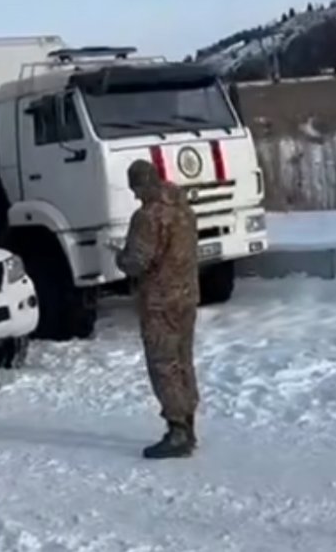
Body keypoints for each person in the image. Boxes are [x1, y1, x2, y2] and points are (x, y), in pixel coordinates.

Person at [114, 159, 201, 459]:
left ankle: (177, 431)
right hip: (187, 297)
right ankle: (189, 423)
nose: (136, 196)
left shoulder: (147, 216)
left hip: (160, 301)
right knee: (183, 360)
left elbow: (137, 261)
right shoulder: (184, 209)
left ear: (141, 184)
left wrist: (119, 257)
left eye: (135, 189)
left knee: (163, 364)